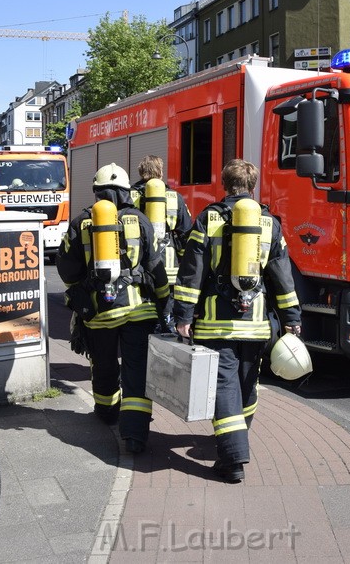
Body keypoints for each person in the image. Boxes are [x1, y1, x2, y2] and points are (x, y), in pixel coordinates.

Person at [172, 159, 302, 483]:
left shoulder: (209, 218)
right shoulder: (269, 222)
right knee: (247, 386)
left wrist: (183, 316)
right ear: (253, 186)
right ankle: (237, 440)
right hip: (257, 324)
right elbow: (282, 277)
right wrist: (292, 319)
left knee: (224, 386)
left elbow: (192, 272)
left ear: (225, 184)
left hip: (217, 324)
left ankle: (232, 459)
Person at [56, 163, 169, 454]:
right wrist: (165, 303)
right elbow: (156, 267)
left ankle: (107, 413)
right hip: (138, 313)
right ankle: (135, 435)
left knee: (104, 366)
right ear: (126, 192)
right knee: (136, 372)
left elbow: (67, 270)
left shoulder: (82, 221)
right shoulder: (140, 220)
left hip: (98, 313)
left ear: (97, 192)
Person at [129, 155, 192, 329]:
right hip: (168, 270)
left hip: (138, 269)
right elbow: (185, 235)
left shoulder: (128, 195)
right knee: (166, 314)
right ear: (161, 172)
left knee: (141, 314)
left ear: (141, 172)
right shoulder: (174, 198)